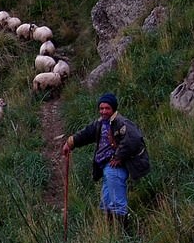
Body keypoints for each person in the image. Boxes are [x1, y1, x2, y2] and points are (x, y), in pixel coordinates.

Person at [62, 92, 150, 228]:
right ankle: (110, 233)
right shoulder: (101, 123)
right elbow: (86, 134)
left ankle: (121, 232)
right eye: (101, 108)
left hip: (116, 166)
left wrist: (118, 156)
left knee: (116, 203)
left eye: (107, 108)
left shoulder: (121, 123)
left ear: (113, 109)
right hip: (106, 166)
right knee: (106, 202)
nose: (103, 111)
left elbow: (134, 140)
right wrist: (70, 143)